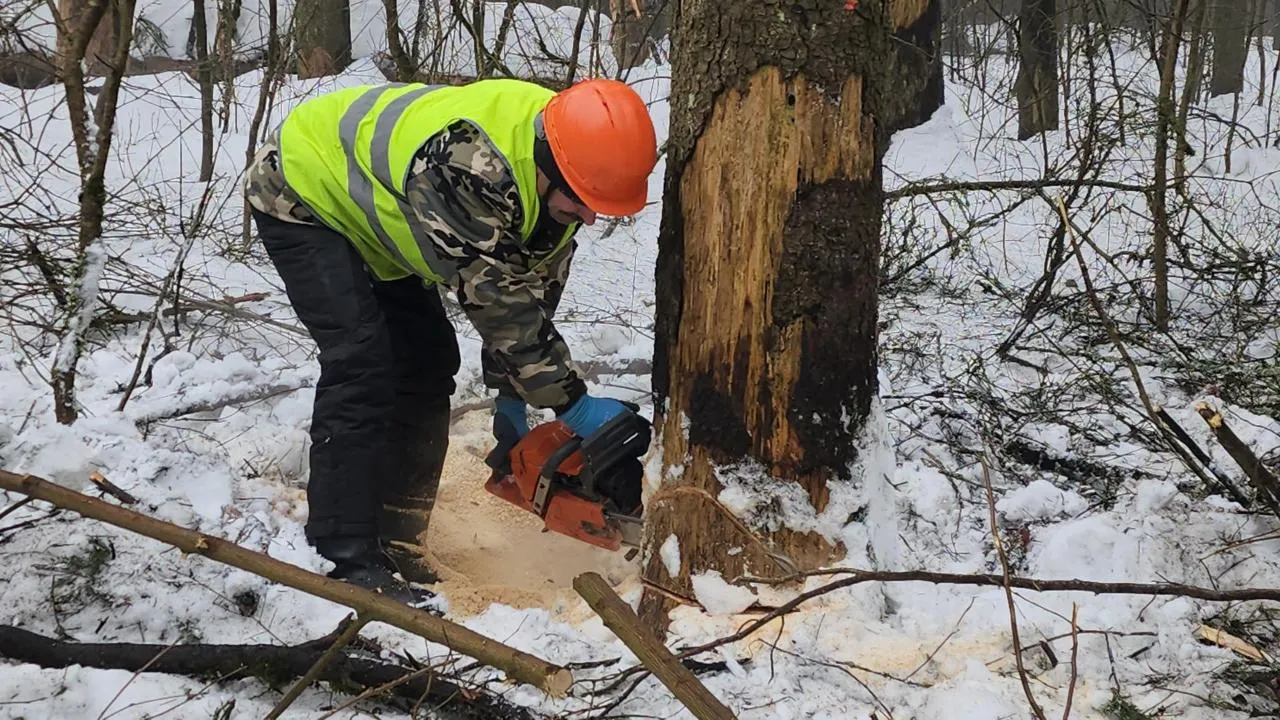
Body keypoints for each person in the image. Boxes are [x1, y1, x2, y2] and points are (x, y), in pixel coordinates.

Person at [242, 76, 658, 604]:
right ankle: (344, 554)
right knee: (364, 363)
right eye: (580, 203)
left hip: (379, 219)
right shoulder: (466, 167)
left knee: (429, 361)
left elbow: (529, 293)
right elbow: (495, 302)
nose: (589, 217)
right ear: (550, 168)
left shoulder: (570, 156)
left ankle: (399, 535)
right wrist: (571, 405)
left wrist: (514, 396)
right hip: (304, 193)